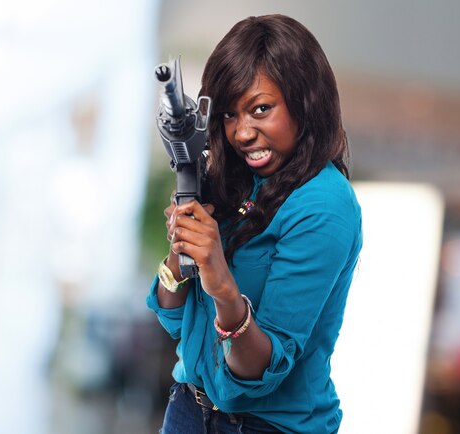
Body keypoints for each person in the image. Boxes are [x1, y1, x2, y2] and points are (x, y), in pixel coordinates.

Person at [147, 14, 363, 434]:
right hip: (188, 411)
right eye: (229, 115)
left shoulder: (325, 206)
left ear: (305, 100)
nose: (242, 133)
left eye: (261, 109)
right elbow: (174, 320)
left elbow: (255, 372)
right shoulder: (234, 181)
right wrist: (181, 250)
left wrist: (221, 283)